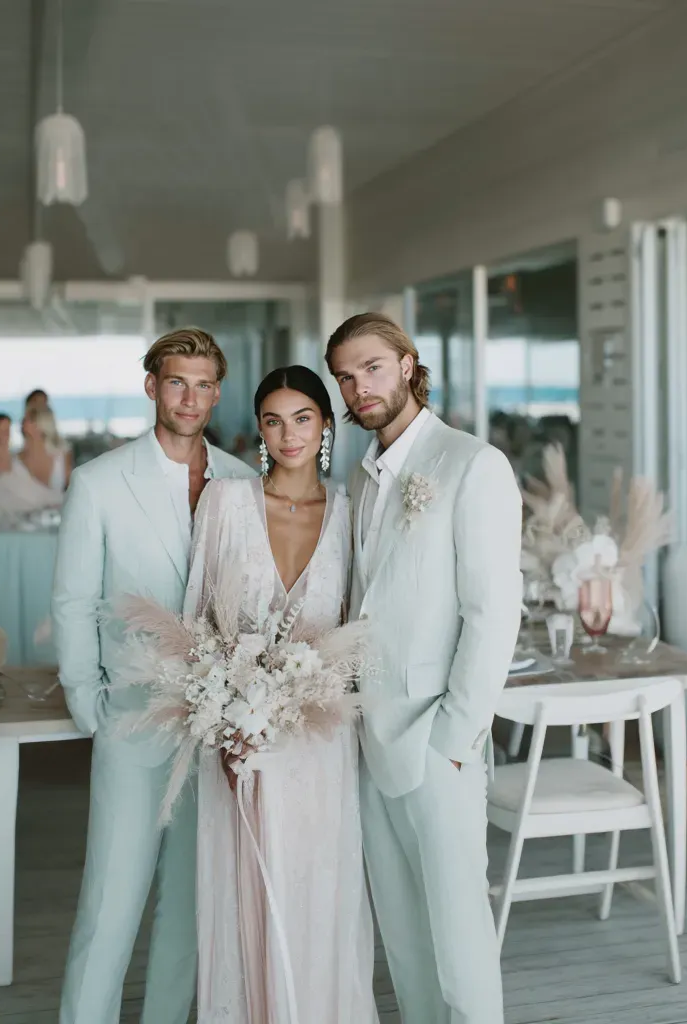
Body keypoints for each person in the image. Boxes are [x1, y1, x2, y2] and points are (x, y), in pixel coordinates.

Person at [53, 328, 256, 1024]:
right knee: (110, 906)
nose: (190, 397)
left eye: (203, 385)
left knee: (190, 914)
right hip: (133, 721)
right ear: (152, 387)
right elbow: (74, 602)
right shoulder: (99, 482)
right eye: (177, 382)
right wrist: (91, 706)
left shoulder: (243, 480)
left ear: (217, 393)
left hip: (215, 731)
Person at [327, 312, 522, 1024]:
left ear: (409, 365)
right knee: (404, 943)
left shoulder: (472, 463)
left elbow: (494, 613)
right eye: (345, 376)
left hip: (438, 743)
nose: (359, 387)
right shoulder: (363, 474)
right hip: (368, 740)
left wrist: (455, 740)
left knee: (459, 945)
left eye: (372, 367)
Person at [184, 366, 377, 1023]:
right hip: (238, 744)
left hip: (321, 751)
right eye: (273, 419)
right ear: (259, 431)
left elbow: (359, 638)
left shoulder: (352, 514)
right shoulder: (226, 502)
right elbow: (195, 627)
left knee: (318, 893)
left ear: (325, 425)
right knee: (242, 898)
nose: (288, 433)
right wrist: (222, 720)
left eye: (302, 418)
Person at [19, 406, 72, 494]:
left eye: (29, 420)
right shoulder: (19, 458)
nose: (23, 423)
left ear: (41, 424)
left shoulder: (61, 454)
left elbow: (70, 486)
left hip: (58, 506)